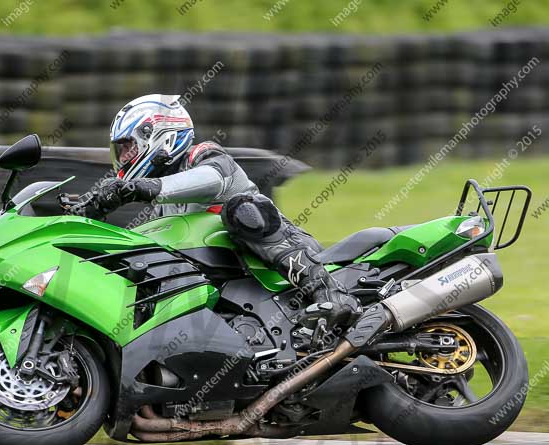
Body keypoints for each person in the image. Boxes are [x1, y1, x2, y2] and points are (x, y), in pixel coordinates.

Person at [69, 94, 358, 328]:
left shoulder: (204, 156)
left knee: (242, 209)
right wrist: (88, 209)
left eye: (129, 148)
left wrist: (140, 188)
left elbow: (212, 179)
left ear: (158, 135)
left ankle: (327, 290)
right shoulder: (160, 208)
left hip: (284, 251)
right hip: (227, 285)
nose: (124, 158)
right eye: (120, 151)